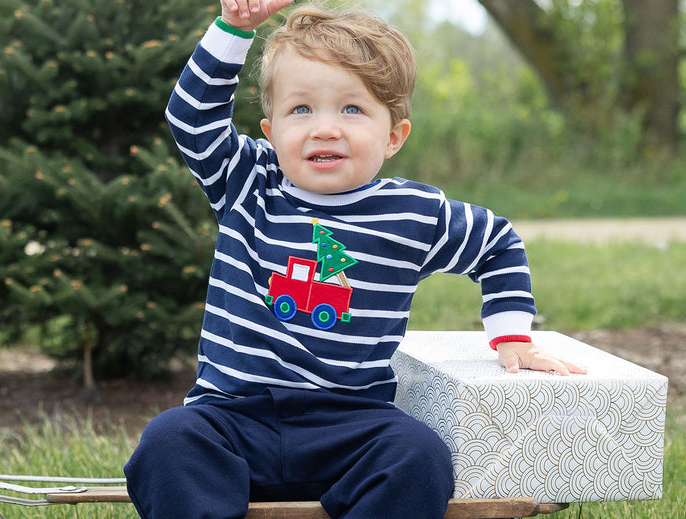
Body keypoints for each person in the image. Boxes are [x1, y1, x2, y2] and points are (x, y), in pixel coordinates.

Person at [123, 1, 587, 518]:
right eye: (301, 109)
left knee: (419, 456)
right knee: (168, 441)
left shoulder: (414, 213)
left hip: (351, 424)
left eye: (352, 109)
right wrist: (234, 28)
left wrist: (512, 335)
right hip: (233, 418)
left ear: (393, 136)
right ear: (270, 131)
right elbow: (190, 118)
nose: (325, 128)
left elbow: (498, 244)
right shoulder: (246, 180)